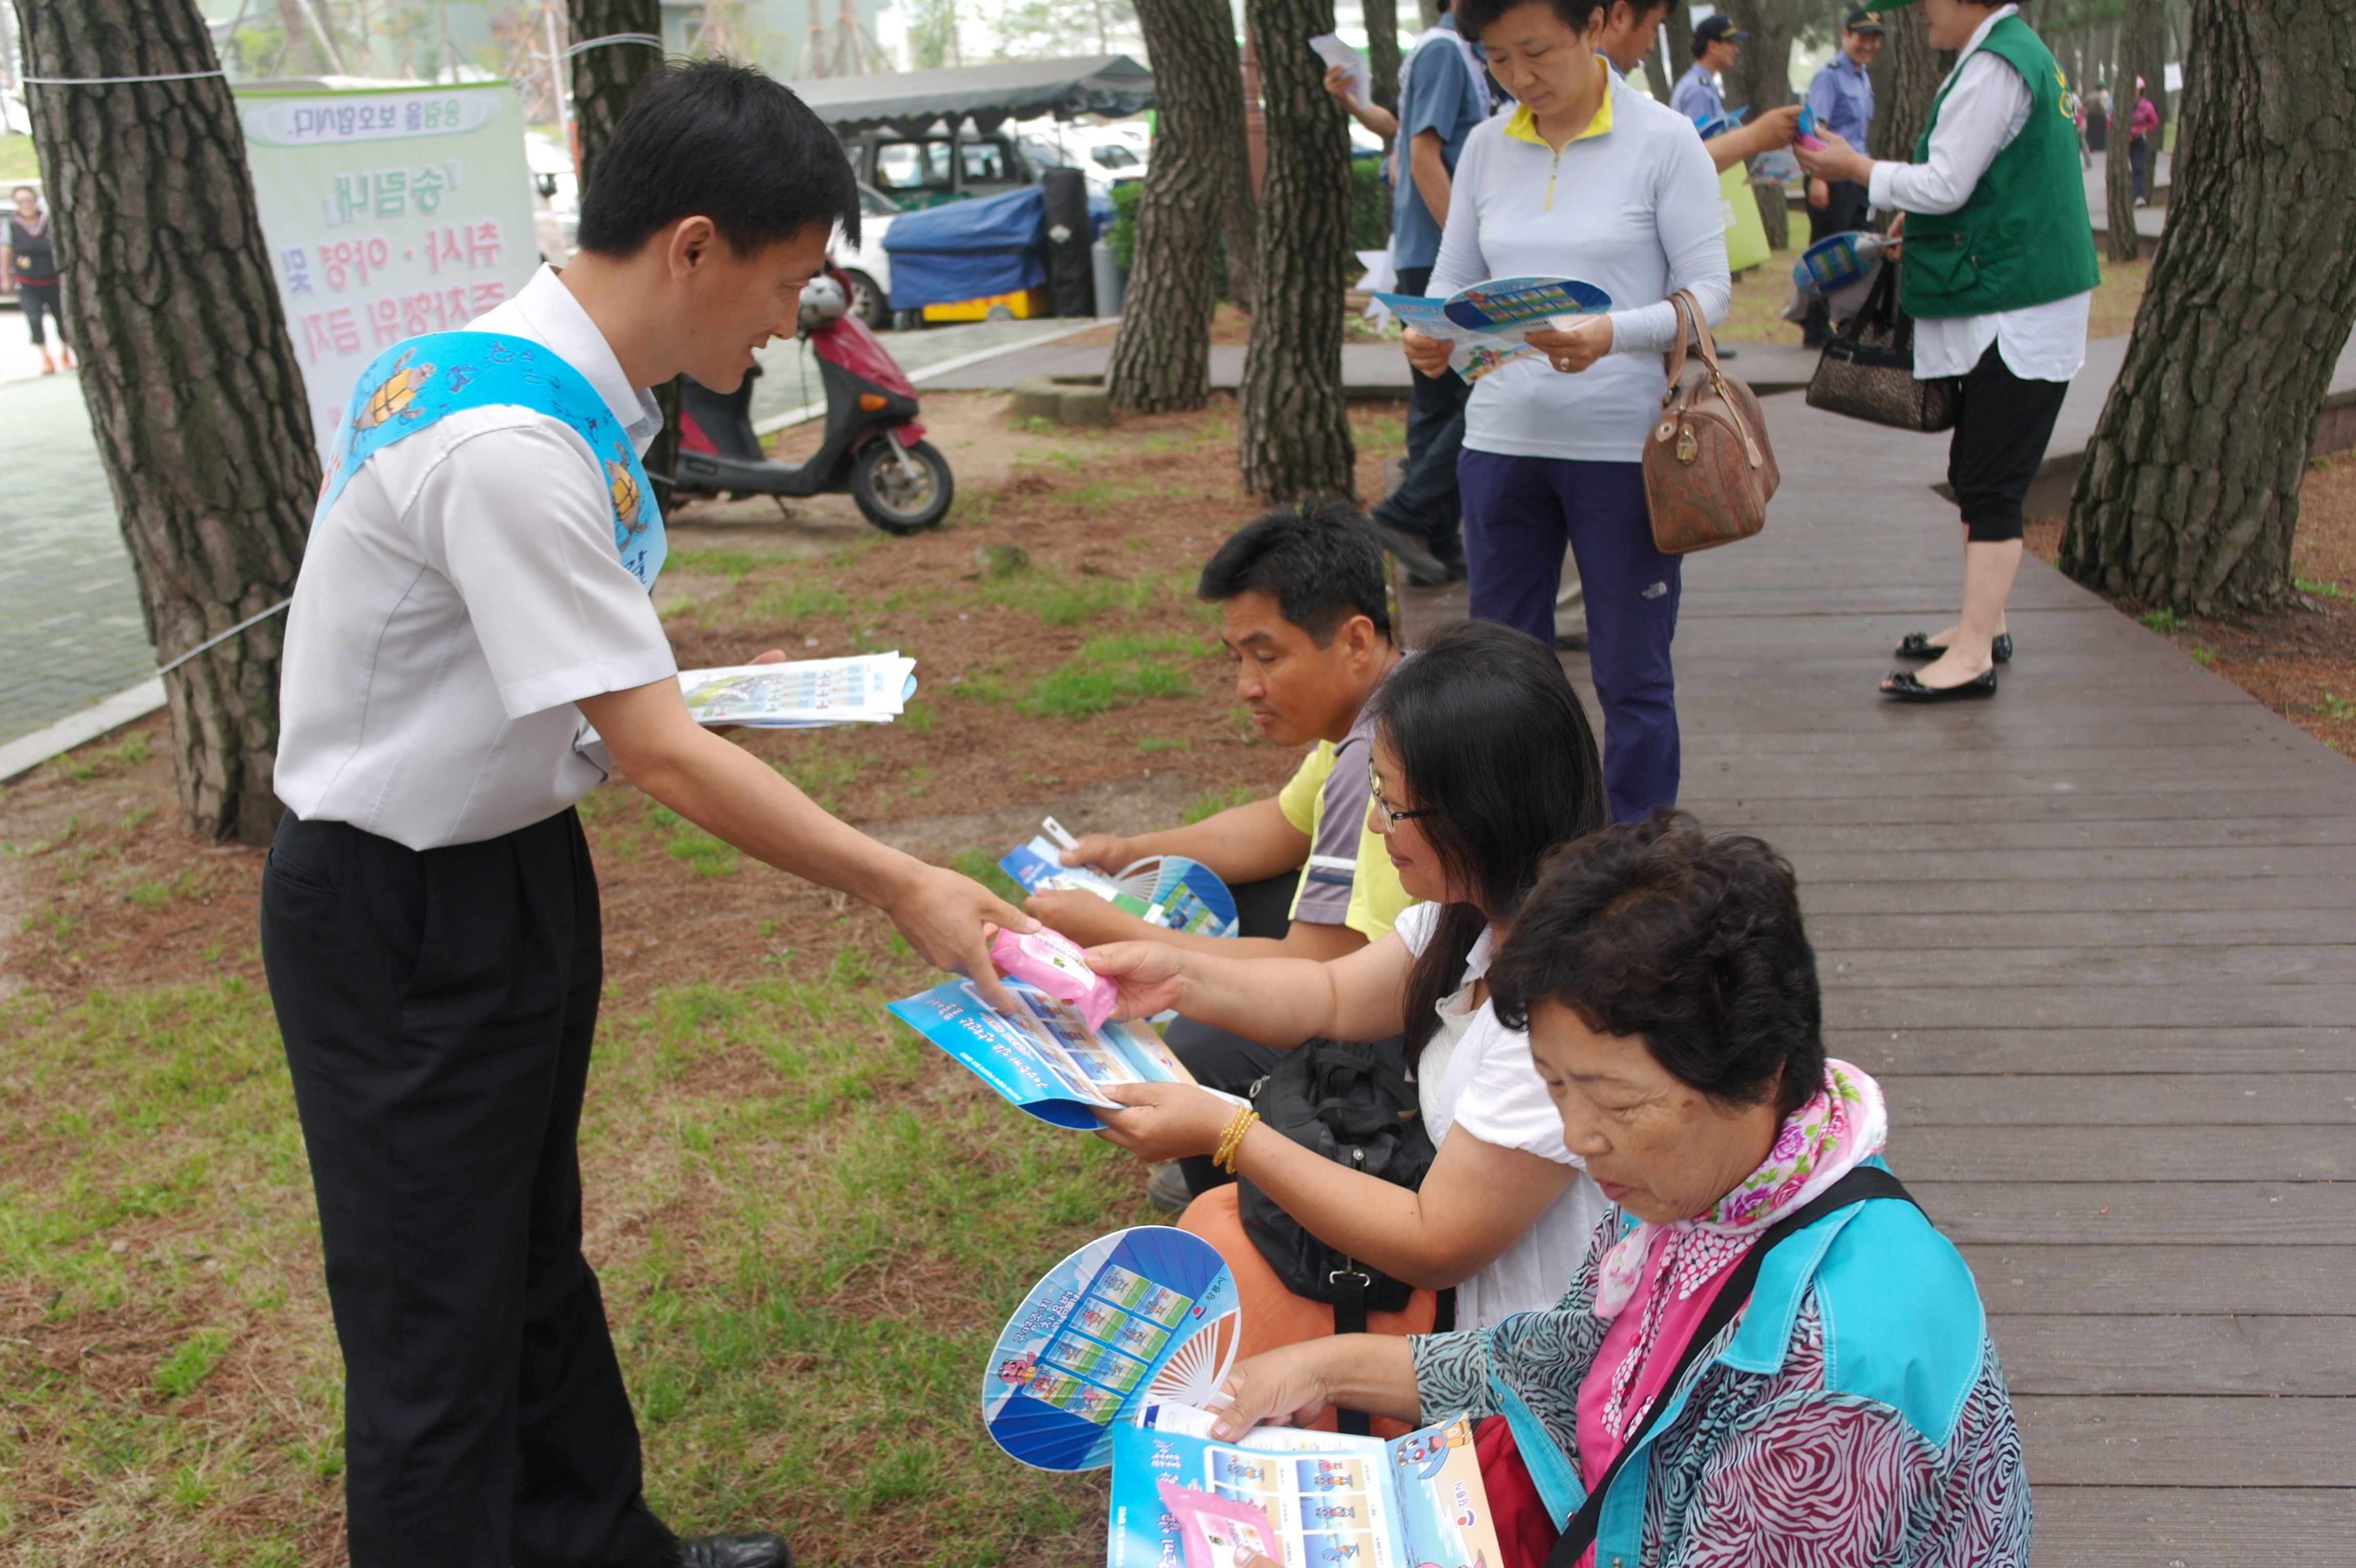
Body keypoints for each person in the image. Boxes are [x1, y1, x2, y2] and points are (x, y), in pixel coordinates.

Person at [261, 62, 1034, 1568]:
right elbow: (660, 756)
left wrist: (666, 698)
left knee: (527, 1252)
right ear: (693, 246)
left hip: (506, 865)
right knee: (435, 1324)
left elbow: (554, 673)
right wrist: (900, 882)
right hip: (401, 907)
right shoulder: (504, 441)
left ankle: (596, 1543)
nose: (788, 323)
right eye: (787, 282)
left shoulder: (538, 383)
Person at [1197, 815, 2032, 1568]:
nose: (1579, 1137)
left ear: (1759, 1069)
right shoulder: (1703, 1187)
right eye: (1555, 1086)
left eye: (1617, 1103)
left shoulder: (1832, 1377)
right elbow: (1566, 1356)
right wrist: (1321, 1368)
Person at [1087, 622, 1612, 1366]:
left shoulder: (1558, 1013)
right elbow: (1330, 992)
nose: (1374, 822)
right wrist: (1175, 976)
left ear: (1481, 811)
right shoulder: (1469, 918)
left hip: (1524, 1366)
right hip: (1456, 1318)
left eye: (1392, 804)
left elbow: (1436, 1240)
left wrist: (1229, 1134)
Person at [1028, 504, 1417, 1204]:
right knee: (1227, 892)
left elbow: (1317, 971)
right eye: (1237, 658)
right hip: (1404, 968)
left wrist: (1117, 929)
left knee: (1198, 1044)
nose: (1246, 686)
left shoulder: (1377, 754)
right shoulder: (1396, 696)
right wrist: (1130, 853)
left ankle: (1250, 1209)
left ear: (1356, 640)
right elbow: (1279, 826)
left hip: (1424, 1015)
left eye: (1267, 658)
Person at [1408, 0, 1731, 821]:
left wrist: (1612, 334)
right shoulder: (1487, 146)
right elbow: (1454, 279)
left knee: (1633, 672)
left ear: (1594, 26)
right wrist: (1432, 332)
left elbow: (1709, 296)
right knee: (1501, 678)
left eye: (1537, 51)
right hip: (1500, 442)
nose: (1520, 78)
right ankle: (1517, 847)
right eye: (1497, 60)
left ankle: (1635, 853)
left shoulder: (1665, 140)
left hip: (1622, 451)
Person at [1796, 0, 2097, 702]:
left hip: (2020, 308)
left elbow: (1946, 181)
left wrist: (1855, 166)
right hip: (2021, 299)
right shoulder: (2012, 53)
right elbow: (1982, 180)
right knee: (1974, 470)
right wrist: (1917, 210)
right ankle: (1983, 625)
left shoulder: (1995, 65)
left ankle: (1972, 655)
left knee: (1990, 484)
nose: (1918, 13)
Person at [1327, 1, 1492, 588]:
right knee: (1480, 390)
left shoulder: (1451, 51)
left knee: (1438, 399)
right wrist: (1470, 249)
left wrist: (1354, 106)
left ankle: (1431, 537)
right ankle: (1408, 515)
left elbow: (1405, 135)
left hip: (1427, 252)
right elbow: (1423, 156)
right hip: (1441, 253)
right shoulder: (1446, 51)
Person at [1799, 9, 1884, 348]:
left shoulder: (1862, 76)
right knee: (1827, 252)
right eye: (1863, 37)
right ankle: (1815, 325)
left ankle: (1850, 322)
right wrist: (1818, 178)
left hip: (1857, 176)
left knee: (1857, 250)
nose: (1869, 45)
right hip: (1832, 177)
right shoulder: (1830, 76)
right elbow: (1815, 130)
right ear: (1846, 35)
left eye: (1875, 38)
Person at [3, 185, 72, 374]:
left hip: (53, 280)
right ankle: (46, 357)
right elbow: (6, 251)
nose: (26, 205)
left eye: (29, 201)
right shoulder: (12, 225)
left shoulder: (49, 222)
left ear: (36, 201)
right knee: (34, 318)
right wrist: (6, 278)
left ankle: (66, 352)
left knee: (62, 318)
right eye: (21, 202)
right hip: (27, 282)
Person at [1668, 12, 1743, 124]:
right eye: (1730, 43)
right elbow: (1701, 135)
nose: (1736, 50)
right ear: (1713, 47)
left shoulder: (1700, 85)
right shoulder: (1699, 91)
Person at [2125, 76, 2159, 204]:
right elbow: (2111, 120)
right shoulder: (2122, 105)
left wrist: (2143, 130)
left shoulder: (2146, 106)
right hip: (2123, 141)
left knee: (2137, 167)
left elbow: (2154, 122)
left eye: (2136, 89)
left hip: (2138, 140)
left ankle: (2139, 195)